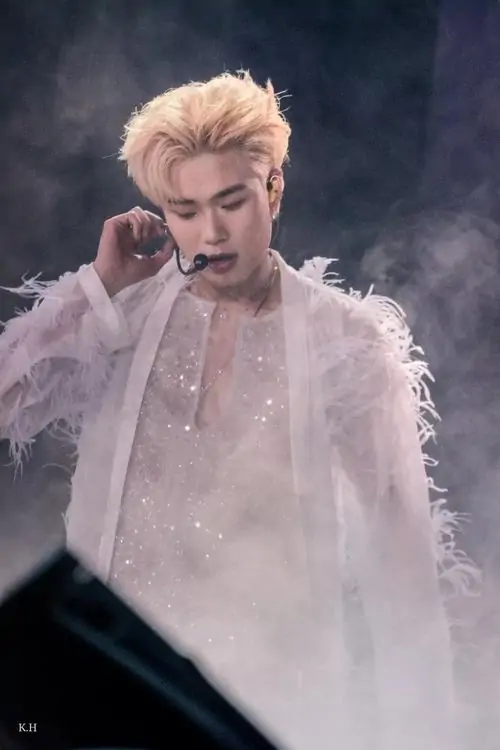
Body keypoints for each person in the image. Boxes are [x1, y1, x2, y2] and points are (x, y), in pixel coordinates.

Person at [0, 70, 470, 749]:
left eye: (231, 201)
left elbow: (404, 575)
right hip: (108, 682)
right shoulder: (122, 314)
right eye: (186, 210)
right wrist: (97, 288)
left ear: (273, 189)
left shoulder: (345, 341)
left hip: (269, 705)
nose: (212, 232)